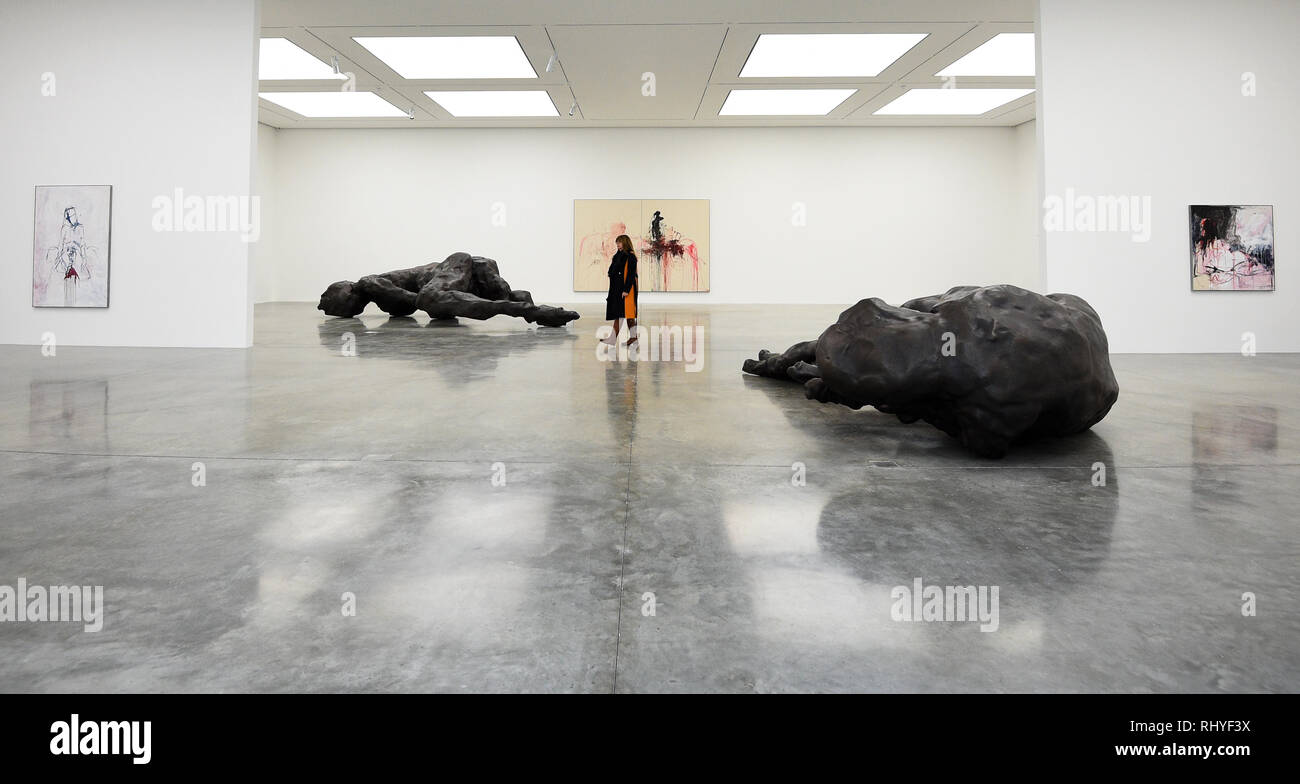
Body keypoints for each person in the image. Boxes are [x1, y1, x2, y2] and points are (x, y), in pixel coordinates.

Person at [602, 234, 639, 346]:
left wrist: (626, 290)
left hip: (626, 290)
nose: (618, 245)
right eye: (617, 243)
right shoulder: (618, 256)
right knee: (625, 314)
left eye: (620, 242)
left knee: (623, 314)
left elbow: (631, 275)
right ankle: (633, 337)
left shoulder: (630, 257)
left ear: (625, 243)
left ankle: (614, 339)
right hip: (617, 289)